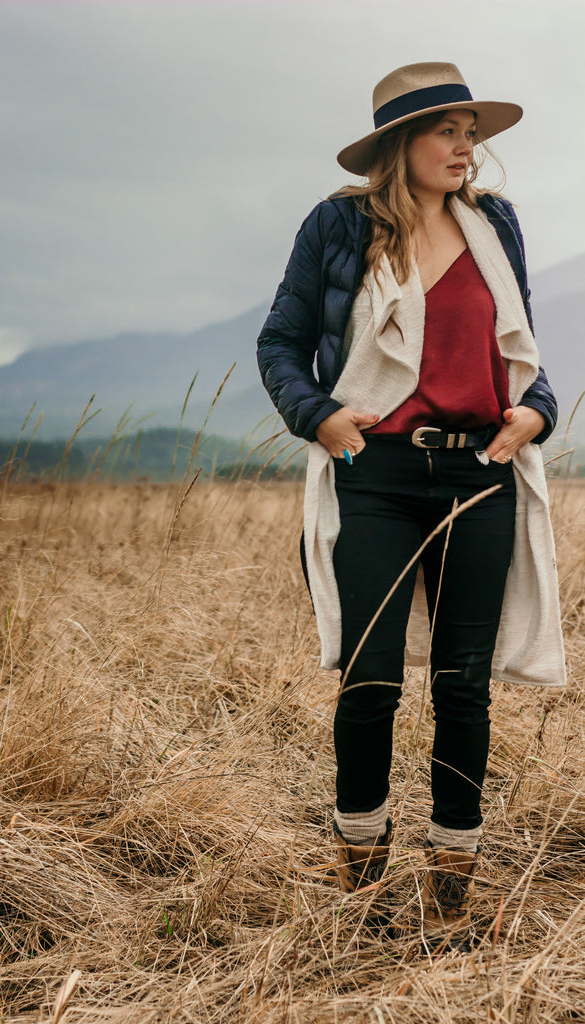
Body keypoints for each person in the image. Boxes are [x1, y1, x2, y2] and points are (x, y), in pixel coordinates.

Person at [257, 62, 566, 952]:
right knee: (372, 680)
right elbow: (280, 340)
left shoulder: (493, 224)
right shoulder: (339, 224)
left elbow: (522, 352)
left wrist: (536, 410)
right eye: (447, 131)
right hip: (376, 476)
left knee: (464, 689)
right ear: (402, 144)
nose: (467, 148)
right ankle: (359, 871)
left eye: (472, 131)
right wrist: (317, 416)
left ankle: (451, 887)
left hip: (478, 475)